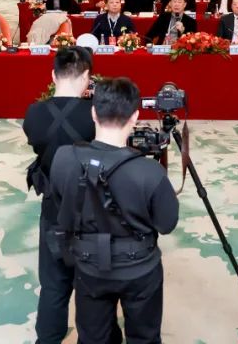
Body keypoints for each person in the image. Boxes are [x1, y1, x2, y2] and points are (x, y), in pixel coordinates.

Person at [49, 77, 179, 343]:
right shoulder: (150, 172)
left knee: (93, 337)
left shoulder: (63, 158)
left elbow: (62, 203)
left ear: (93, 113)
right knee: (145, 337)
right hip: (140, 267)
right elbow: (167, 224)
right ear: (135, 117)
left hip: (88, 265)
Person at [23, 46, 99, 343]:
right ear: (87, 76)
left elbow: (37, 143)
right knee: (92, 286)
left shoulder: (34, 113)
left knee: (53, 284)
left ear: (53, 75)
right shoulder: (96, 114)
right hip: (92, 207)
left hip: (53, 206)